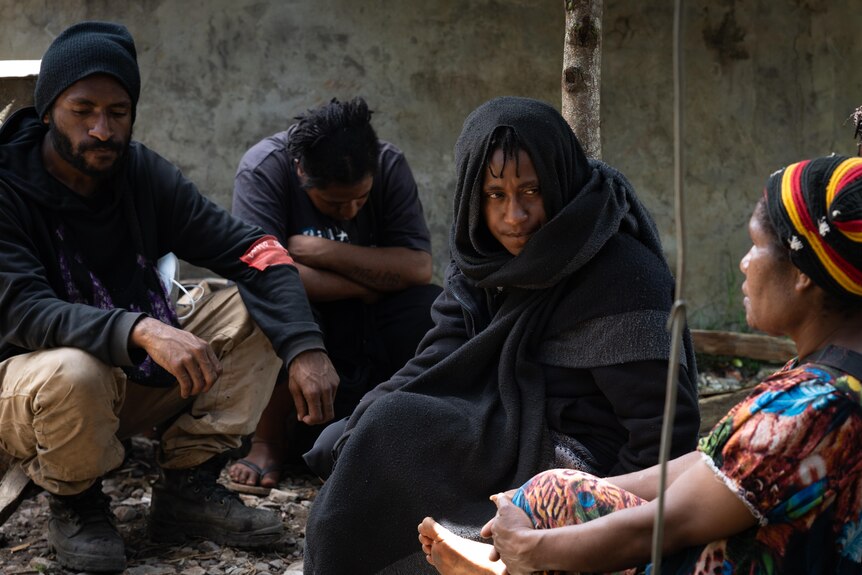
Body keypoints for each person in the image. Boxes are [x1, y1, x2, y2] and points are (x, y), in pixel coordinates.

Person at [303, 96, 701, 574]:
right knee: (370, 429)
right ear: (474, 195)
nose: (515, 215)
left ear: (559, 181)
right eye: (496, 195)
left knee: (391, 433)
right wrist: (362, 419)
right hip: (499, 420)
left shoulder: (620, 273)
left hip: (583, 459)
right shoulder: (483, 259)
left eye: (531, 190)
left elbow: (663, 433)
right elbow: (438, 360)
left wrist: (599, 526)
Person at [0, 21, 339, 573]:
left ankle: (190, 486)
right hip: (25, 390)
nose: (102, 130)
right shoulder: (7, 185)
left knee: (253, 305)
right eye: (82, 110)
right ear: (47, 112)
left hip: (119, 378)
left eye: (117, 112)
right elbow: (22, 309)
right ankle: (75, 498)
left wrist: (305, 346)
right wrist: (140, 328)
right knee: (73, 370)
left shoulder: (140, 173)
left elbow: (254, 250)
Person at [418, 153, 862, 574]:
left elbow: (670, 524)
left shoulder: (810, 407)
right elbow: (705, 464)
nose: (745, 265)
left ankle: (502, 565)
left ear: (804, 272)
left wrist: (532, 547)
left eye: (755, 245)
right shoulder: (829, 377)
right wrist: (539, 496)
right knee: (554, 487)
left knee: (563, 499)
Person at [228, 97, 441, 490]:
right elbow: (263, 273)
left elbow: (417, 268)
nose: (350, 211)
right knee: (264, 306)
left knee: (431, 308)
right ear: (301, 172)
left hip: (372, 324)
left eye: (361, 199)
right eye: (334, 202)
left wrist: (322, 252)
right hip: (308, 318)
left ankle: (419, 434)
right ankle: (266, 442)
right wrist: (369, 283)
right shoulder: (263, 170)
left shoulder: (389, 164)